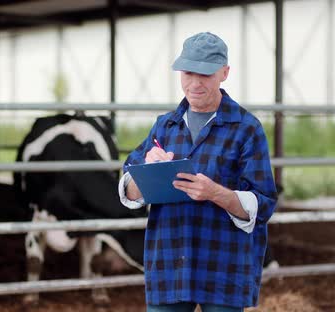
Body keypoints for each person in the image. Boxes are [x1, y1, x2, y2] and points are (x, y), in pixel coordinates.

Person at [118, 32, 278, 312]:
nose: (194, 83)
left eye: (205, 73)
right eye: (188, 72)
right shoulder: (164, 127)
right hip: (169, 261)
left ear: (225, 73)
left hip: (223, 264)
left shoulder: (246, 128)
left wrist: (216, 193)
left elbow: (263, 203)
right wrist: (147, 170)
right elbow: (128, 190)